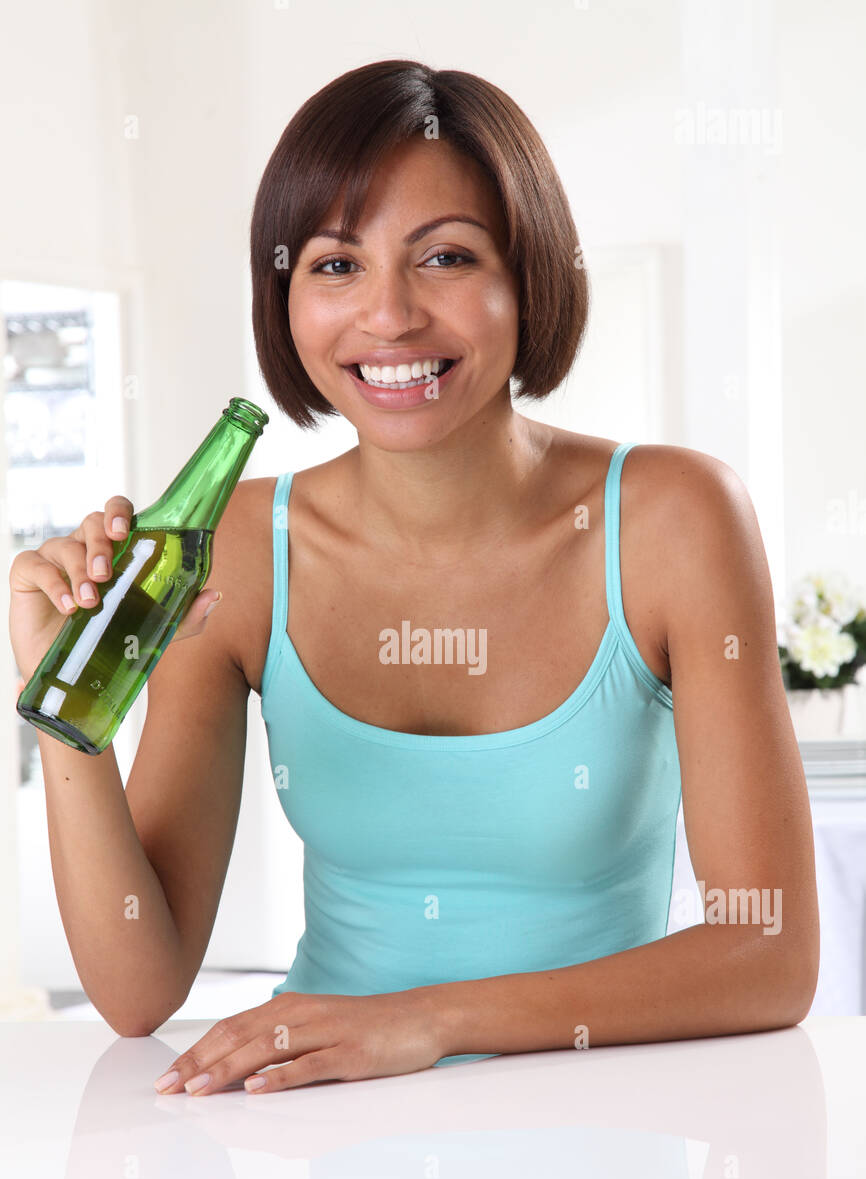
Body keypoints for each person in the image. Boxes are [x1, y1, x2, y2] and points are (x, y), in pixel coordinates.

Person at [9, 60, 819, 1095]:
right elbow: (138, 988)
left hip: (601, 1125)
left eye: (442, 257)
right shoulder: (243, 548)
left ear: (526, 278)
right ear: (285, 296)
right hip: (320, 1127)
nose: (387, 317)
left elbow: (769, 954)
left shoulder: (670, 518)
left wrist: (424, 1022)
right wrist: (63, 700)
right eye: (335, 266)